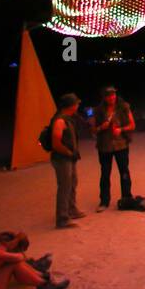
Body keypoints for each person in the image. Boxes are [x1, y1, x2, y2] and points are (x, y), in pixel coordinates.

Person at [91, 86, 136, 212]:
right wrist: (101, 127)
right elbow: (93, 129)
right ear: (104, 97)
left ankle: (126, 197)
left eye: (113, 95)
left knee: (124, 171)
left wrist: (121, 130)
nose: (112, 97)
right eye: (109, 95)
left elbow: (132, 125)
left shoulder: (124, 107)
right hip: (104, 146)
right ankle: (104, 201)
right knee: (105, 173)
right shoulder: (98, 110)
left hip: (121, 145)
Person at [50, 93, 85, 229]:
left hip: (70, 158)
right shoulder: (60, 120)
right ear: (71, 106)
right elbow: (56, 143)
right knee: (64, 187)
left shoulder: (69, 118)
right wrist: (68, 152)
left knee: (72, 183)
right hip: (62, 159)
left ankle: (71, 209)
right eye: (76, 103)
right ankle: (62, 219)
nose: (78, 105)